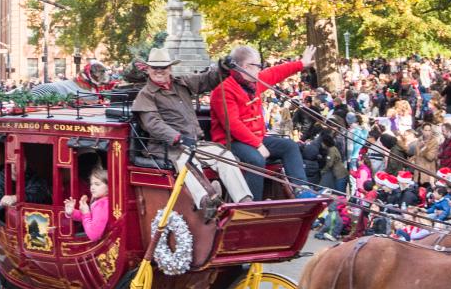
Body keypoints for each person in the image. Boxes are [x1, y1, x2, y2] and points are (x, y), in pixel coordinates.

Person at [131, 47, 252, 215]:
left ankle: (244, 203)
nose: (159, 71)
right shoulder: (145, 95)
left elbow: (207, 80)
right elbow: (153, 124)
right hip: (167, 148)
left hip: (194, 143)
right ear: (148, 70)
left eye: (163, 67)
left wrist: (222, 68)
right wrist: (177, 138)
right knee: (188, 162)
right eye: (155, 68)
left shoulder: (182, 83)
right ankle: (206, 203)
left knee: (225, 156)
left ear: (170, 68)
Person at [210, 45, 315, 200]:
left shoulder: (253, 82)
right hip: (231, 141)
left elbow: (275, 73)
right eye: (258, 66)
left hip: (255, 138)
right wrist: (258, 145)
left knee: (289, 146)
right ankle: (253, 205)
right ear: (245, 67)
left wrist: (301, 64)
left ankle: (301, 190)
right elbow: (233, 125)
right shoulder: (223, 91)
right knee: (256, 159)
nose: (260, 70)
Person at [64, 165, 110, 240]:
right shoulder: (100, 201)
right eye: (91, 184)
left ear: (108, 187)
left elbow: (94, 235)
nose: (92, 187)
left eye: (97, 184)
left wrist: (86, 212)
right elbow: (90, 217)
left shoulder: (102, 205)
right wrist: (72, 212)